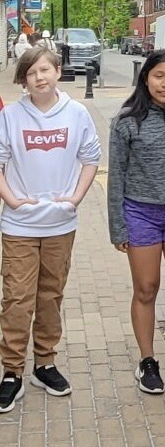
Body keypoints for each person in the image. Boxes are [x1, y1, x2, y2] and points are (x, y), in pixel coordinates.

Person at [0, 47, 101, 413]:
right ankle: (12, 371)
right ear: (23, 80)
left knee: (50, 295)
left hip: (61, 224)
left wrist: (74, 198)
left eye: (45, 70)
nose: (39, 77)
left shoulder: (76, 113)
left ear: (57, 70)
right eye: (31, 73)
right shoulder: (11, 115)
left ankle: (45, 364)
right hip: (19, 226)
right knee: (16, 297)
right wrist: (12, 200)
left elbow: (91, 158)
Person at [108, 50, 165, 394]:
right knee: (146, 288)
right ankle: (147, 360)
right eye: (159, 76)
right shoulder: (127, 120)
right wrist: (117, 225)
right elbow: (115, 176)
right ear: (145, 77)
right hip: (140, 213)